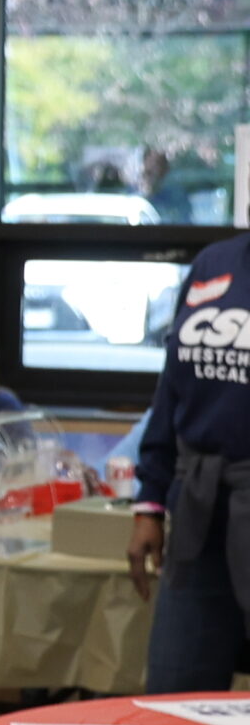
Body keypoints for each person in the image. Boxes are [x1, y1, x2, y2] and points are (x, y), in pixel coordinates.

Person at [130, 227, 250, 690]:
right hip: (200, 513)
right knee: (174, 693)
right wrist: (150, 502)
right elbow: (171, 392)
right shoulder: (213, 264)